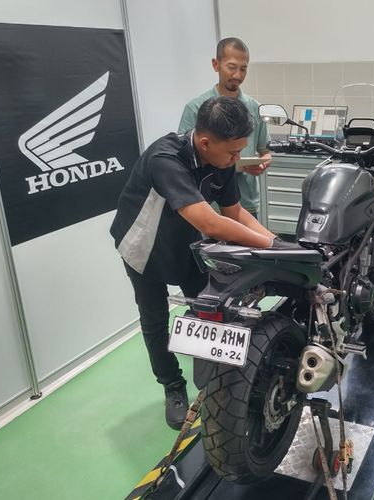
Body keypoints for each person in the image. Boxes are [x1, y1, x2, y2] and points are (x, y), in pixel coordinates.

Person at [110, 96, 278, 430]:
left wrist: (276, 243)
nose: (236, 159)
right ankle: (172, 386)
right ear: (204, 143)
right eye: (232, 153)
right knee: (155, 319)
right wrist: (270, 246)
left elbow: (235, 212)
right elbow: (210, 222)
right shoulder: (165, 158)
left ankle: (219, 382)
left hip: (187, 242)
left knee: (211, 309)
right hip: (144, 246)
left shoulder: (222, 159)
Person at [178, 37, 271, 218]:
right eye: (232, 67)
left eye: (243, 69)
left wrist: (263, 162)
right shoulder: (196, 108)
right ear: (216, 64)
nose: (237, 75)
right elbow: (185, 157)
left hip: (246, 201)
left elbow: (264, 151)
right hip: (208, 202)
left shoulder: (255, 108)